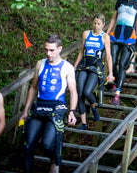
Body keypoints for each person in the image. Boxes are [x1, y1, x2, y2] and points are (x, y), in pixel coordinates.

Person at [20, 34, 78, 173]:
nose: (48, 53)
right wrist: (26, 110)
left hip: (57, 107)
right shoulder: (40, 63)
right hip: (40, 105)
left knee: (46, 144)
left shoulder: (67, 67)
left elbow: (73, 92)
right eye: (46, 50)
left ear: (60, 49)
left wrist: (72, 111)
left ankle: (54, 160)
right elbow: (33, 87)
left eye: (52, 50)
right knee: (27, 145)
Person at [73, 13, 115, 130]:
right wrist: (75, 66)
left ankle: (94, 108)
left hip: (95, 68)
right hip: (84, 66)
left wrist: (110, 73)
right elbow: (82, 51)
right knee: (80, 93)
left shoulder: (105, 37)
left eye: (99, 24)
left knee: (87, 92)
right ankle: (84, 124)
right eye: (94, 23)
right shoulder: (86, 34)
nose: (96, 26)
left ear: (103, 25)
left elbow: (108, 56)